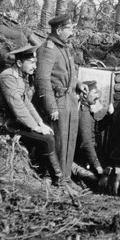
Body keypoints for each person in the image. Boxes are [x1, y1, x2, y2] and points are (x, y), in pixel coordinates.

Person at [0, 46, 68, 188]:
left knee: (46, 135)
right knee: (46, 139)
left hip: (10, 123)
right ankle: (58, 180)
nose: (35, 66)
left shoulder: (19, 77)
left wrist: (40, 123)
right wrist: (35, 127)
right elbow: (18, 107)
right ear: (19, 63)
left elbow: (27, 103)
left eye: (35, 62)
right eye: (31, 62)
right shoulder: (8, 77)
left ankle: (49, 176)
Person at [34, 14, 89, 180]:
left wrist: (78, 84)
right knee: (59, 142)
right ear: (58, 30)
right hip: (58, 101)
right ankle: (55, 179)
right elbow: (42, 79)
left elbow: (68, 74)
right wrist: (51, 107)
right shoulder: (48, 49)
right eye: (69, 28)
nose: (72, 32)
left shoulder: (63, 48)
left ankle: (66, 177)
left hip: (69, 99)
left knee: (69, 141)